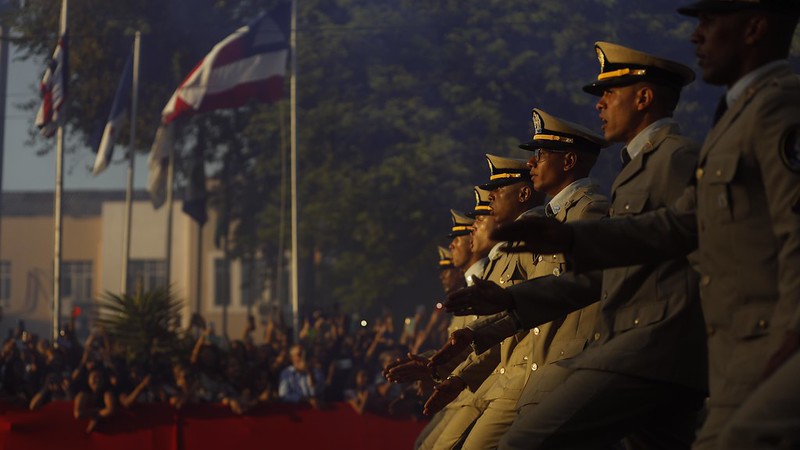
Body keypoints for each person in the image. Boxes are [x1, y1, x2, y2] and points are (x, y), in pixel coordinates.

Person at [441, 42, 708, 449]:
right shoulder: (634, 172)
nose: (600, 104)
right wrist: (511, 302)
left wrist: (570, 240)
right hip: (638, 349)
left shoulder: (676, 159)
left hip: (652, 349)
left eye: (610, 93)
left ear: (644, 98)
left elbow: (696, 251)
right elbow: (603, 277)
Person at [427, 111, 609, 450]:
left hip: (558, 371)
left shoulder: (589, 212)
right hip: (526, 376)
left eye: (541, 154)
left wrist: (465, 359)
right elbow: (527, 308)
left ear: (569, 161)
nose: (531, 162)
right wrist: (467, 344)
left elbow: (577, 291)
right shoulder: (551, 222)